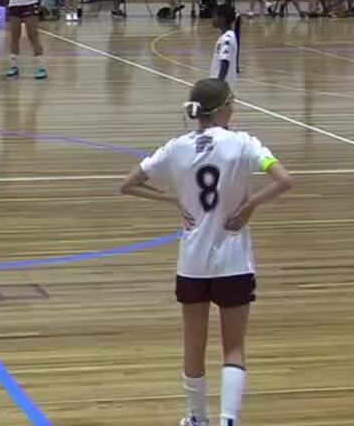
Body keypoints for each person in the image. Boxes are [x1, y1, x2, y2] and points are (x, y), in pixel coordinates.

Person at [118, 78, 295, 426]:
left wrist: (173, 199)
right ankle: (229, 420)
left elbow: (128, 184)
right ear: (225, 107)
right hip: (234, 261)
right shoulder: (244, 143)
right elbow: (285, 180)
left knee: (193, 344)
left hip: (192, 263)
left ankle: (197, 418)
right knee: (233, 347)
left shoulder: (176, 147)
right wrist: (250, 207)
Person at [210, 2, 241, 85]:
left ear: (222, 19)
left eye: (214, 17)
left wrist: (220, 83)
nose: (212, 19)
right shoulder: (225, 37)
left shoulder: (227, 39)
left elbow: (225, 61)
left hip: (222, 85)